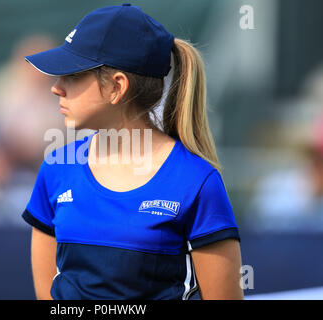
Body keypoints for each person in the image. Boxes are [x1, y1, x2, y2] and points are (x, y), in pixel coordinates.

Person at [21, 4, 243, 300]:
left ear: (117, 87)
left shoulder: (197, 182)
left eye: (72, 75)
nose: (56, 88)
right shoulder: (56, 169)